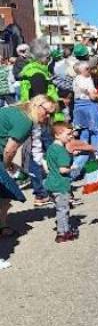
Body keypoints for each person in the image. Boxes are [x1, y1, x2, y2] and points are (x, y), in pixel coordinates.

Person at [1, 96, 59, 265]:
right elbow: (9, 151)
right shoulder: (25, 121)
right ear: (36, 105)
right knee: (7, 189)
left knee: (5, 193)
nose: (48, 116)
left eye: (51, 114)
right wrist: (8, 166)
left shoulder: (17, 110)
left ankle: (2, 226)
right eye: (47, 112)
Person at [45, 122, 79, 243]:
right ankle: (63, 233)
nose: (71, 136)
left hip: (51, 183)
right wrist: (74, 168)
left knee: (60, 208)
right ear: (57, 135)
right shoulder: (61, 151)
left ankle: (64, 230)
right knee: (63, 210)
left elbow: (48, 163)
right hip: (60, 185)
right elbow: (63, 170)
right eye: (68, 134)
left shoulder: (51, 148)